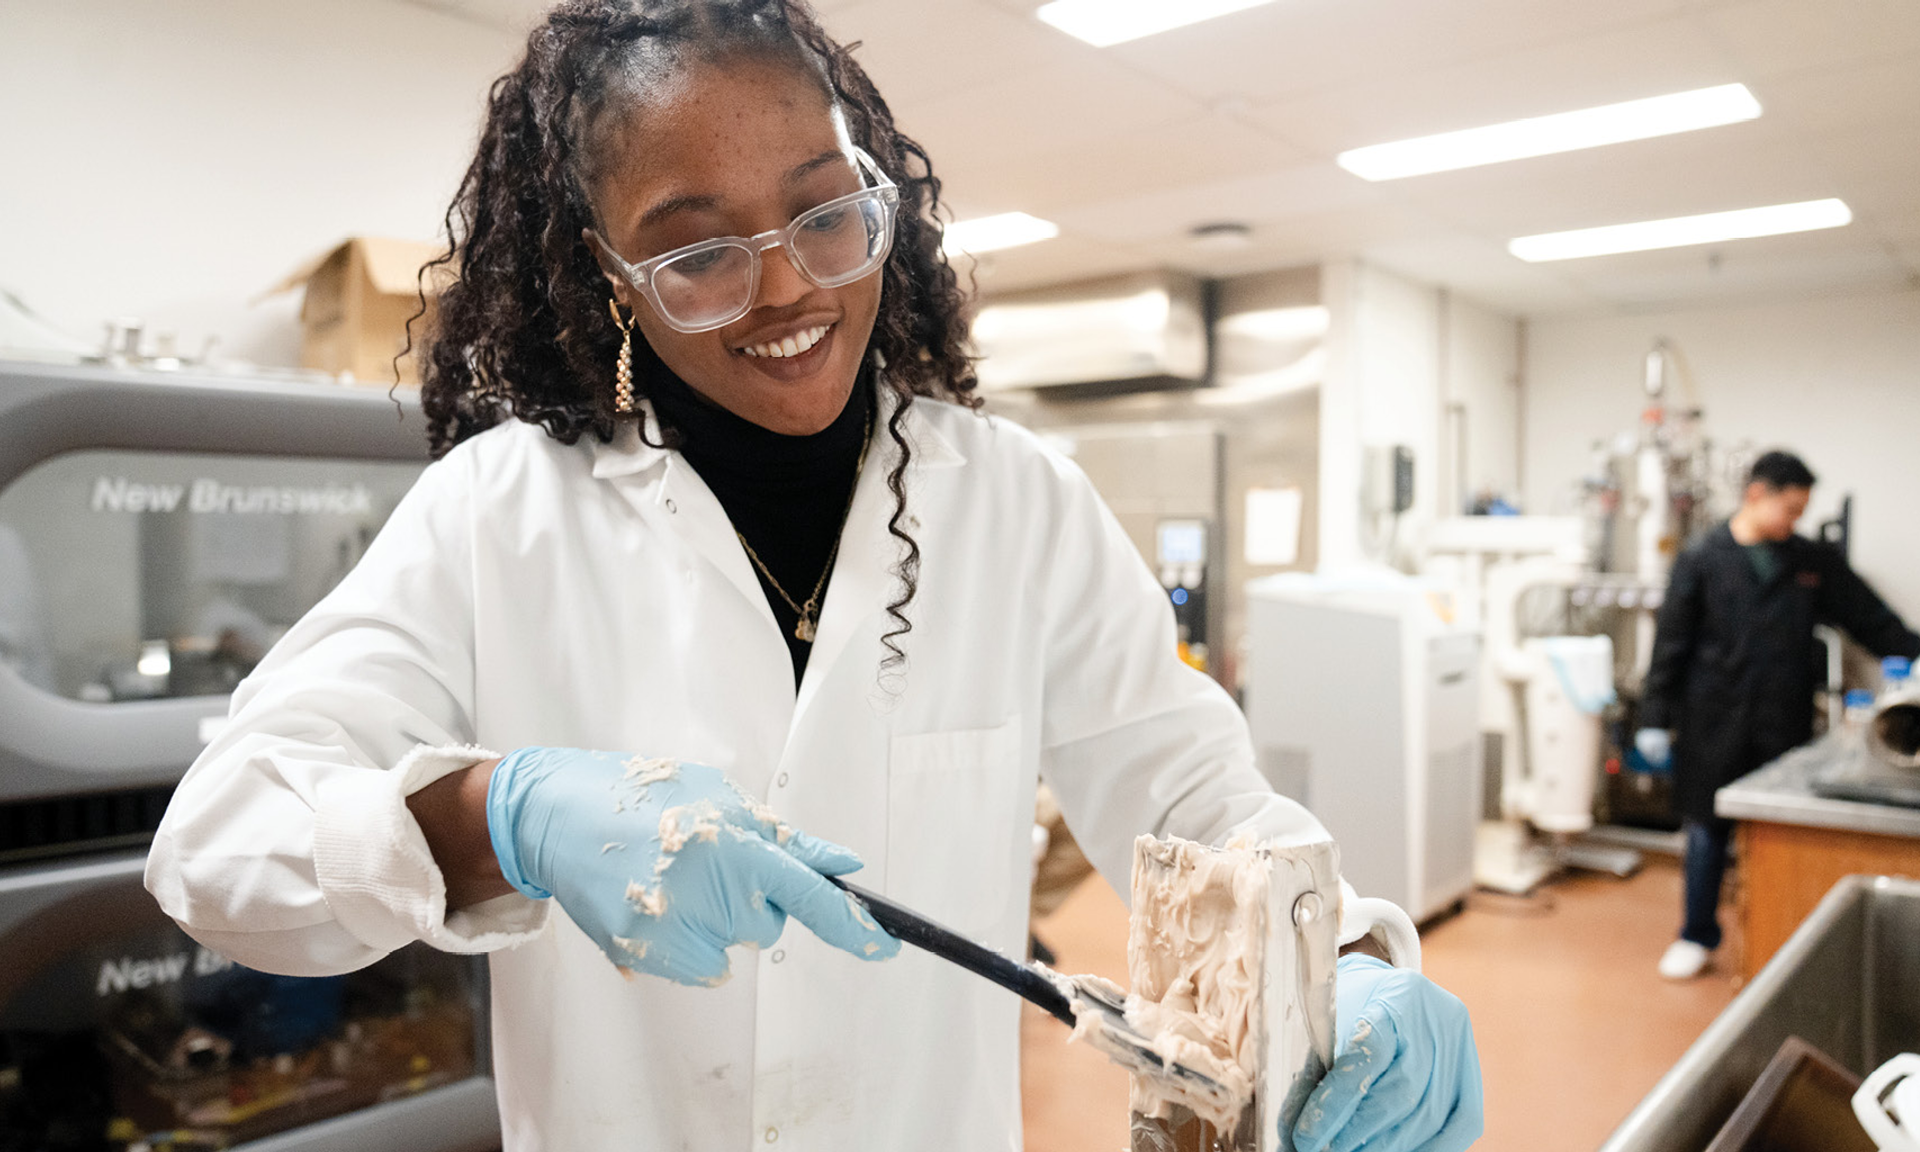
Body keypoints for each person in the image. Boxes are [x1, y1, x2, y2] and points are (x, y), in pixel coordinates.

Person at [144, 3, 1481, 1148]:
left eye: (825, 214)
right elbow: (216, 853)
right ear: (608, 275)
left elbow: (1192, 797)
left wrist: (1346, 971)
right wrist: (504, 813)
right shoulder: (500, 520)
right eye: (699, 251)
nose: (789, 289)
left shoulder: (1011, 504)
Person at [1638, 450, 1920, 980]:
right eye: (1789, 509)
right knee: (1706, 833)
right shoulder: (1702, 557)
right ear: (1755, 494)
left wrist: (1913, 651)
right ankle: (1696, 935)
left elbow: (1869, 618)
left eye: (1801, 512)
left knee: (1772, 836)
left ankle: (1774, 940)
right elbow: (1670, 644)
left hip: (1782, 717)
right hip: (1712, 717)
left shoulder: (1809, 561)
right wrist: (1654, 714)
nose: (1795, 521)